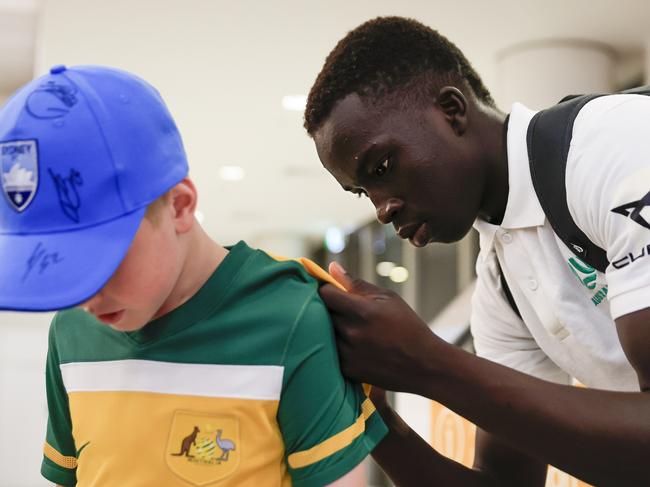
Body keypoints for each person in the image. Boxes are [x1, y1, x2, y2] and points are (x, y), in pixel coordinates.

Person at [303, 16, 650, 487]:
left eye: (382, 167)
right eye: (362, 192)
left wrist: (427, 362)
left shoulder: (612, 148)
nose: (382, 209)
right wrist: (369, 416)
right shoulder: (502, 280)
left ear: (452, 111)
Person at [0, 64, 387, 487]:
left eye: (101, 261)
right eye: (58, 268)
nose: (86, 297)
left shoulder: (289, 315)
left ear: (180, 206)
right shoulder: (72, 331)